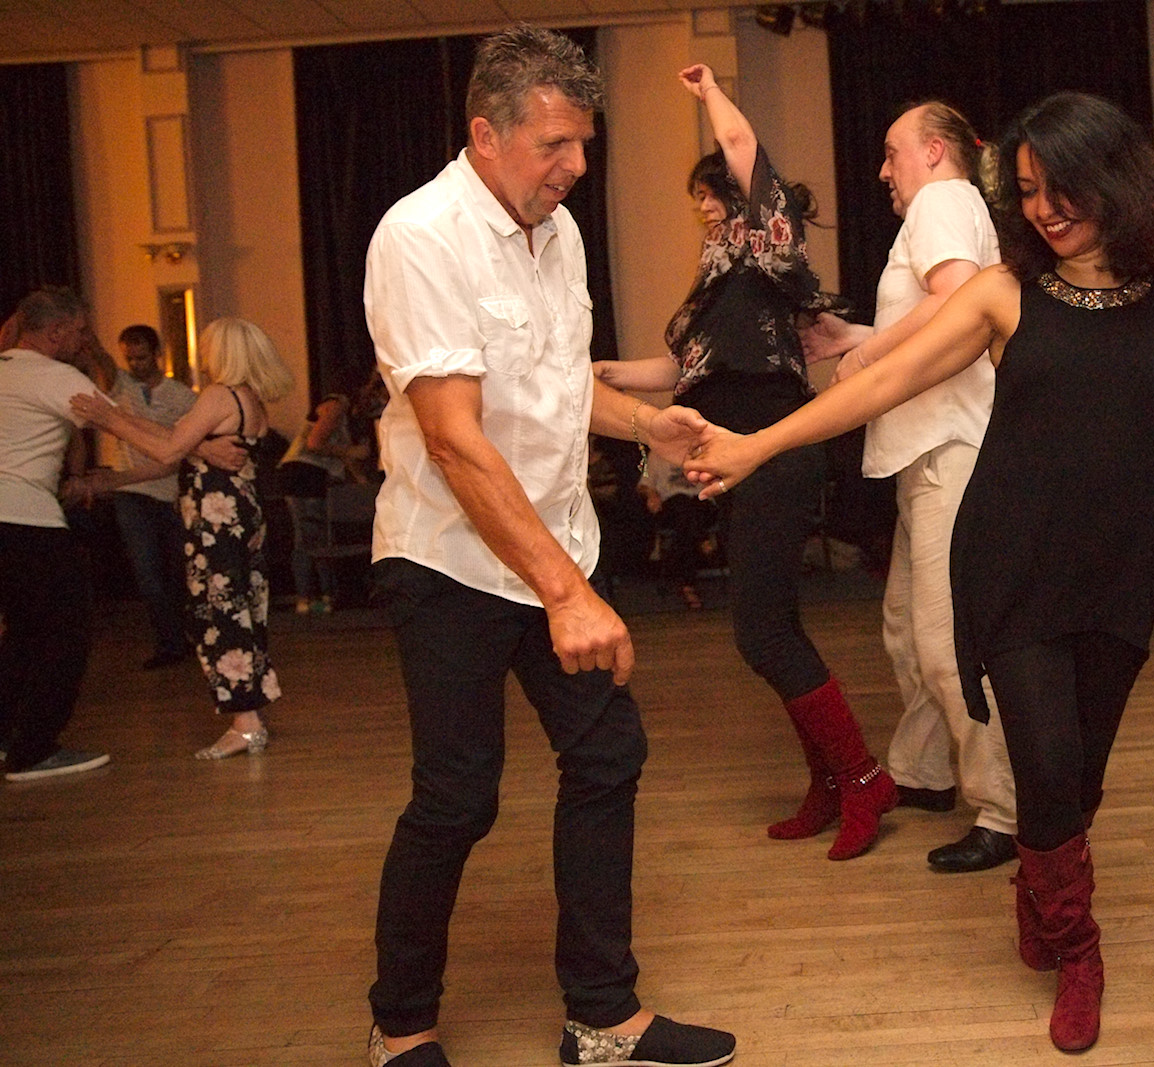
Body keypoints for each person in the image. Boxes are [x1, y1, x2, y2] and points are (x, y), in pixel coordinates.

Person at [685, 91, 1154, 1052]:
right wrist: (755, 446)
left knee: (1081, 777)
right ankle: (1078, 947)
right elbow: (881, 383)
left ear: (1114, 178)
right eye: (1027, 191)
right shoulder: (1001, 294)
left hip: (1117, 567)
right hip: (1013, 561)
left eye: (1060, 188)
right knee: (1045, 763)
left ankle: (1041, 878)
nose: (1043, 210)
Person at [359, 27, 734, 1067]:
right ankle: (400, 1022)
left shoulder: (556, 231)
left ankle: (602, 1016)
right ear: (486, 135)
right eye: (553, 145)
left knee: (607, 754)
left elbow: (556, 386)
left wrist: (647, 424)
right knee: (458, 794)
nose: (573, 167)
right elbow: (453, 437)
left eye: (582, 145)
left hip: (555, 543)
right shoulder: (420, 236)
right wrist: (567, 593)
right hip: (448, 558)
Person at [592, 62, 897, 863]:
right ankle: (831, 781)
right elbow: (682, 369)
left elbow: (739, 142)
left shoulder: (766, 244)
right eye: (698, 197)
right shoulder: (719, 280)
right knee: (771, 626)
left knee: (761, 631)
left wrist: (708, 91)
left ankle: (862, 777)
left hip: (775, 446)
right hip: (732, 456)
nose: (701, 207)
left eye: (710, 194)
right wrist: (603, 375)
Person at [798, 101, 1017, 874]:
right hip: (930, 451)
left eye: (893, 153)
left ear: (932, 151)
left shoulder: (942, 199)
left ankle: (1004, 809)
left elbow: (957, 299)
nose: (883, 171)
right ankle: (923, 770)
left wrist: (868, 357)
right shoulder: (948, 207)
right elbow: (938, 314)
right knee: (905, 629)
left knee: (946, 641)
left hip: (950, 450)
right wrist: (855, 338)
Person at [73, 317, 291, 761]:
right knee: (240, 610)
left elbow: (169, 450)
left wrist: (108, 418)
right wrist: (120, 425)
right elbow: (180, 441)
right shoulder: (247, 397)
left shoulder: (219, 395)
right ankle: (251, 715)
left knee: (220, 613)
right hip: (238, 513)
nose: (202, 354)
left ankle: (245, 724)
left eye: (207, 346)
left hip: (216, 517)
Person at [0, 288, 111, 782]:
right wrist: (198, 447)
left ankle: (7, 737)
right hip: (27, 519)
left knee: (23, 632)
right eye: (80, 331)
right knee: (66, 631)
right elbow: (120, 419)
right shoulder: (54, 376)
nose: (85, 340)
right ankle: (35, 749)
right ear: (55, 331)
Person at [101, 324, 196, 668]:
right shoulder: (121, 385)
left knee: (176, 571)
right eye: (130, 358)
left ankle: (181, 637)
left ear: (157, 354)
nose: (136, 365)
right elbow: (100, 360)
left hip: (169, 491)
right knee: (147, 573)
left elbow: (182, 451)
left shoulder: (181, 396)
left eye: (141, 357)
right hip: (131, 492)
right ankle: (169, 642)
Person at [278, 388, 359, 614]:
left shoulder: (341, 415)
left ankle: (316, 596)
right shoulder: (337, 405)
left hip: (305, 476)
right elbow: (315, 442)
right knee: (311, 538)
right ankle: (313, 596)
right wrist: (351, 452)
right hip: (306, 475)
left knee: (313, 537)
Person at [638, 450, 716, 609]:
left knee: (691, 513)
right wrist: (651, 494)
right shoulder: (657, 454)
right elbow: (643, 485)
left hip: (700, 504)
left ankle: (687, 585)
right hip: (673, 506)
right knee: (682, 505)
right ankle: (702, 540)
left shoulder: (700, 450)